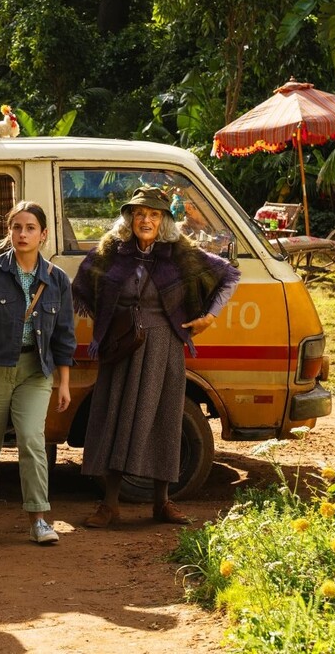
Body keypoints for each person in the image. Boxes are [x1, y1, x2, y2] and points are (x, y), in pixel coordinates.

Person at [71, 186, 240, 527]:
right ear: (129, 218)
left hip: (164, 346)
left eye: (153, 214)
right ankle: (109, 505)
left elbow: (229, 275)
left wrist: (208, 317)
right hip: (121, 347)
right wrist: (108, 318)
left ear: (163, 220)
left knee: (163, 420)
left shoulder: (180, 253)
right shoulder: (111, 250)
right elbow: (82, 287)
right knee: (114, 418)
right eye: (139, 213)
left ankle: (162, 503)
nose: (145, 220)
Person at [0, 201, 76, 544]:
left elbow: (64, 336)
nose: (23, 234)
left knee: (32, 440)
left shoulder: (57, 279)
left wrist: (64, 383)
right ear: (9, 232)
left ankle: (39, 518)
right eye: (17, 227)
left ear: (43, 234)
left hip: (35, 371)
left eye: (30, 228)